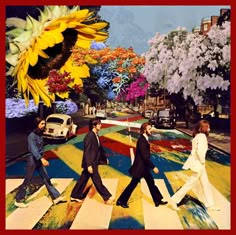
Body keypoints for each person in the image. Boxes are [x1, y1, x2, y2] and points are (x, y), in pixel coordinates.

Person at [168, 120, 220, 211]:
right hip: (199, 164)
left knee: (205, 184)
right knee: (189, 184)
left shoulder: (197, 136)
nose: (209, 129)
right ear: (203, 128)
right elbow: (200, 152)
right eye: (207, 127)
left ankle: (210, 205)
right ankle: (174, 200)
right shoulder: (202, 137)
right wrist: (203, 161)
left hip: (198, 164)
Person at [14, 117, 65, 208]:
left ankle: (56, 197)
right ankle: (18, 199)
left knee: (46, 178)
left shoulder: (39, 134)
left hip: (38, 159)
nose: (43, 125)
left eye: (44, 124)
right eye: (42, 124)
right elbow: (33, 149)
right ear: (36, 125)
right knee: (27, 180)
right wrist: (41, 159)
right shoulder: (32, 136)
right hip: (32, 160)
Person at [116, 122, 167, 208]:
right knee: (133, 184)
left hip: (144, 168)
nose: (151, 130)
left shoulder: (145, 139)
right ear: (144, 130)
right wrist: (153, 167)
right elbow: (145, 157)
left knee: (151, 183)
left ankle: (157, 200)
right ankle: (121, 201)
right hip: (140, 168)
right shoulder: (142, 141)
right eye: (149, 129)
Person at [70, 118, 114, 205]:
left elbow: (98, 150)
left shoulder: (95, 135)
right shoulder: (89, 136)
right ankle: (107, 197)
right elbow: (87, 151)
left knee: (83, 178)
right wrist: (89, 165)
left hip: (94, 161)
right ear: (94, 126)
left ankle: (75, 195)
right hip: (91, 163)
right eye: (99, 124)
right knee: (97, 180)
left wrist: (105, 159)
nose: (100, 125)